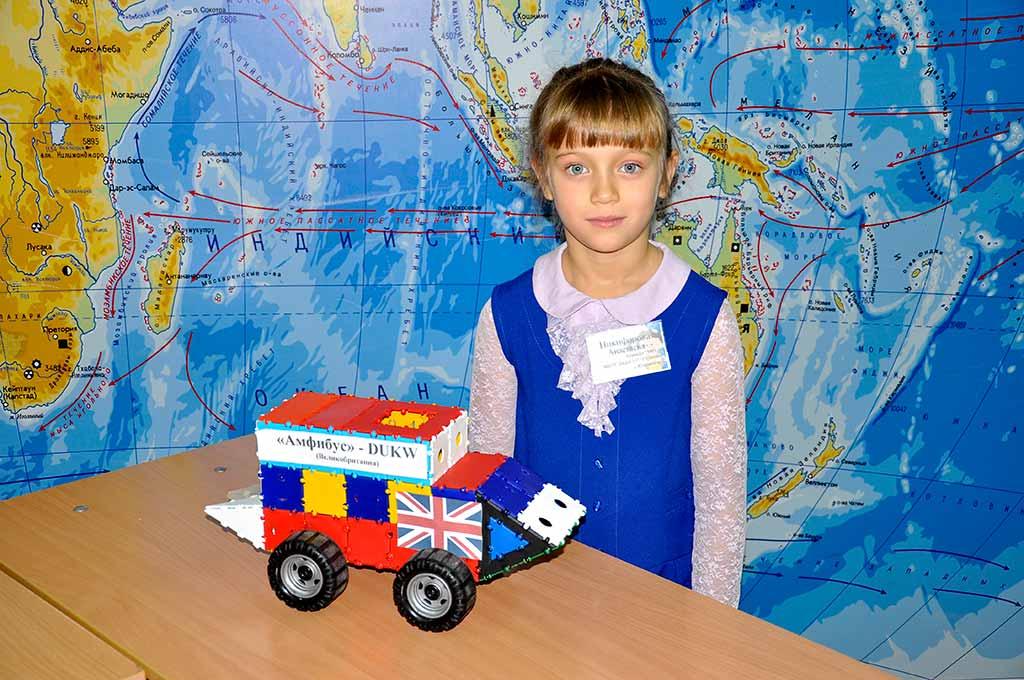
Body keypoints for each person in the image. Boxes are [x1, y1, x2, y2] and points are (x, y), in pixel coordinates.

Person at [468, 58, 747, 608]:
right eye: (577, 167)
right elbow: (490, 471)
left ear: (666, 174)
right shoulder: (507, 315)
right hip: (537, 600)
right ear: (543, 175)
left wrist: (714, 628)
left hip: (665, 601)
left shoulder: (703, 318)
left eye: (629, 166)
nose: (603, 193)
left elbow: (721, 495)